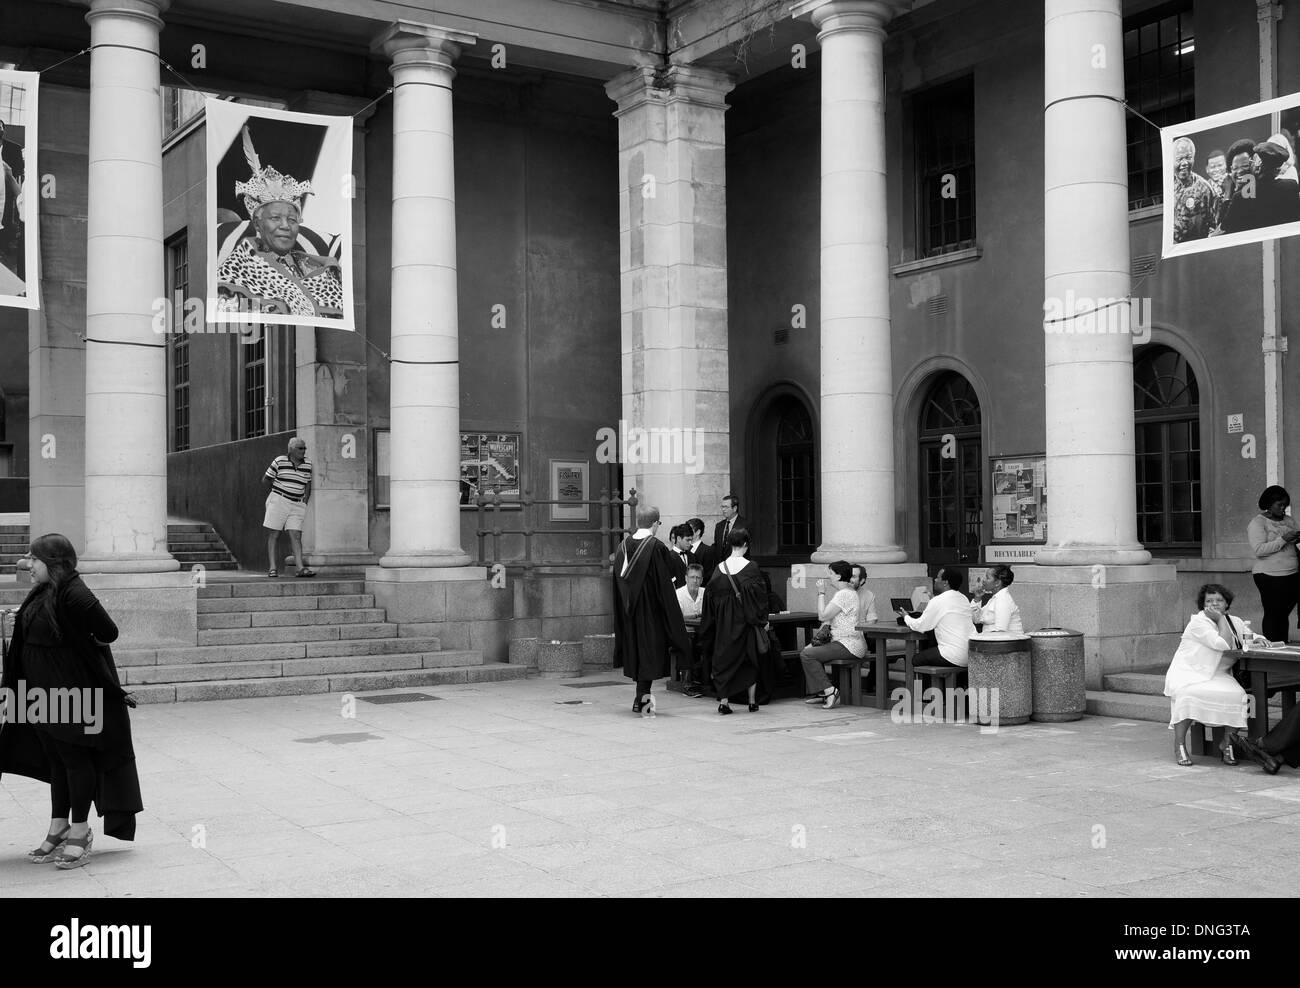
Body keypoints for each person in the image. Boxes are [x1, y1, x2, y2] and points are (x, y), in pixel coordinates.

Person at [0, 534, 143, 869]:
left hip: (73, 695)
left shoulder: (75, 592)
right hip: (41, 695)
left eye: (33, 559)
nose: (28, 565)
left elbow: (108, 631)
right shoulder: (43, 591)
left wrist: (76, 650)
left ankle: (80, 831)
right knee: (57, 760)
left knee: (75, 760)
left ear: (53, 563)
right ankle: (58, 825)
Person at [215, 126, 343, 319]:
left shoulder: (317, 266)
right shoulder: (236, 271)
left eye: (292, 219)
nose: (285, 225)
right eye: (275, 218)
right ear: (258, 224)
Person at [612, 505, 692, 715]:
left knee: (638, 654)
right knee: (648, 656)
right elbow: (664, 587)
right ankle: (644, 703)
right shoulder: (655, 547)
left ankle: (640, 700)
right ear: (655, 524)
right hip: (650, 613)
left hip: (629, 612)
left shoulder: (622, 546)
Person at [1164, 584, 1251, 767]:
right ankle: (1179, 744)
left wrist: (1259, 638)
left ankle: (1227, 743)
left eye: (1219, 600)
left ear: (1227, 603)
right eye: (1209, 601)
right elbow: (1223, 644)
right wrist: (1220, 619)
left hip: (1219, 674)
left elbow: (1248, 635)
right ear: (1202, 605)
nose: (1214, 604)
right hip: (1191, 673)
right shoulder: (1198, 622)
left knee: (1241, 697)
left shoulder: (1235, 620)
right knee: (1187, 695)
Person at [698, 528, 766, 714]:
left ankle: (724, 702)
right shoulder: (751, 568)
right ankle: (752, 701)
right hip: (745, 623)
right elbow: (760, 599)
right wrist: (761, 619)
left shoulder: (718, 569)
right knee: (749, 661)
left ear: (728, 544)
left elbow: (709, 603)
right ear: (745, 545)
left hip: (723, 626)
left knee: (724, 661)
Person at [800, 560, 868, 709]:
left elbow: (822, 616)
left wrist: (821, 593)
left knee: (807, 655)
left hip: (848, 644)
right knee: (807, 651)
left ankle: (830, 691)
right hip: (845, 642)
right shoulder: (847, 592)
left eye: (830, 573)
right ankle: (822, 692)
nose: (827, 576)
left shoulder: (843, 594)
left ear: (838, 576)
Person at [1248, 485, 1299, 645]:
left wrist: (1296, 539)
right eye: (1280, 505)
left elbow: (1292, 541)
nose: (1283, 508)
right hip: (1269, 575)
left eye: (1285, 505)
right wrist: (1284, 539)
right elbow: (1259, 550)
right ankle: (1271, 647)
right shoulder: (1258, 523)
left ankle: (1281, 645)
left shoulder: (1289, 520)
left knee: (1283, 613)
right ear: (1269, 504)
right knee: (1273, 612)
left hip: (1292, 573)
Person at [898, 568, 976, 669]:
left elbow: (920, 626)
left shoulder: (938, 600)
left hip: (952, 654)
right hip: (971, 653)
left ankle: (923, 685)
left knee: (915, 660)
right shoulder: (963, 598)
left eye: (938, 577)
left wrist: (906, 617)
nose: (935, 580)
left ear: (945, 583)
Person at [263, 436, 316, 578]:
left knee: (296, 535)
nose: (304, 451)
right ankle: (273, 568)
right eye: (300, 448)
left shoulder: (308, 464)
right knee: (274, 534)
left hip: (297, 503)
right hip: (279, 500)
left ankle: (300, 568)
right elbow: (266, 479)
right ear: (291, 450)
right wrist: (277, 494)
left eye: (304, 448)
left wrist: (304, 501)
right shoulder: (280, 461)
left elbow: (308, 483)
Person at [1170, 136, 1221, 242]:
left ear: (1193, 158)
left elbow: (1215, 227)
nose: (1184, 163)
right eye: (1179, 159)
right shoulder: (1168, 188)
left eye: (1188, 158)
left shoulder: (1205, 189)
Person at [676, 563, 706, 697]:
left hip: (702, 632)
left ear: (702, 579)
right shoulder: (678, 594)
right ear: (686, 578)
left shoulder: (705, 593)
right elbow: (677, 618)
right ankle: (687, 684)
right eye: (692, 577)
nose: (695, 581)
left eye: (698, 578)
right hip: (683, 633)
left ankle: (708, 680)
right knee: (687, 643)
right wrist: (696, 615)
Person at [971, 564, 1023, 633]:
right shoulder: (994, 598)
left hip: (1005, 642)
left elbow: (1000, 631)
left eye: (987, 578)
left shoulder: (1003, 600)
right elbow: (976, 620)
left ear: (997, 583)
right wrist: (977, 598)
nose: (983, 580)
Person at [711, 494, 750, 565]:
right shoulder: (719, 526)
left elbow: (748, 549)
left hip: (737, 567)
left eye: (726, 507)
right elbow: (717, 547)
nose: (723, 509)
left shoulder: (745, 525)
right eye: (722, 507)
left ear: (734, 508)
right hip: (722, 567)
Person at [667, 524, 692, 588]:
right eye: (687, 540)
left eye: (691, 540)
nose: (690, 543)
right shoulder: (667, 557)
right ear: (678, 538)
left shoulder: (693, 556)